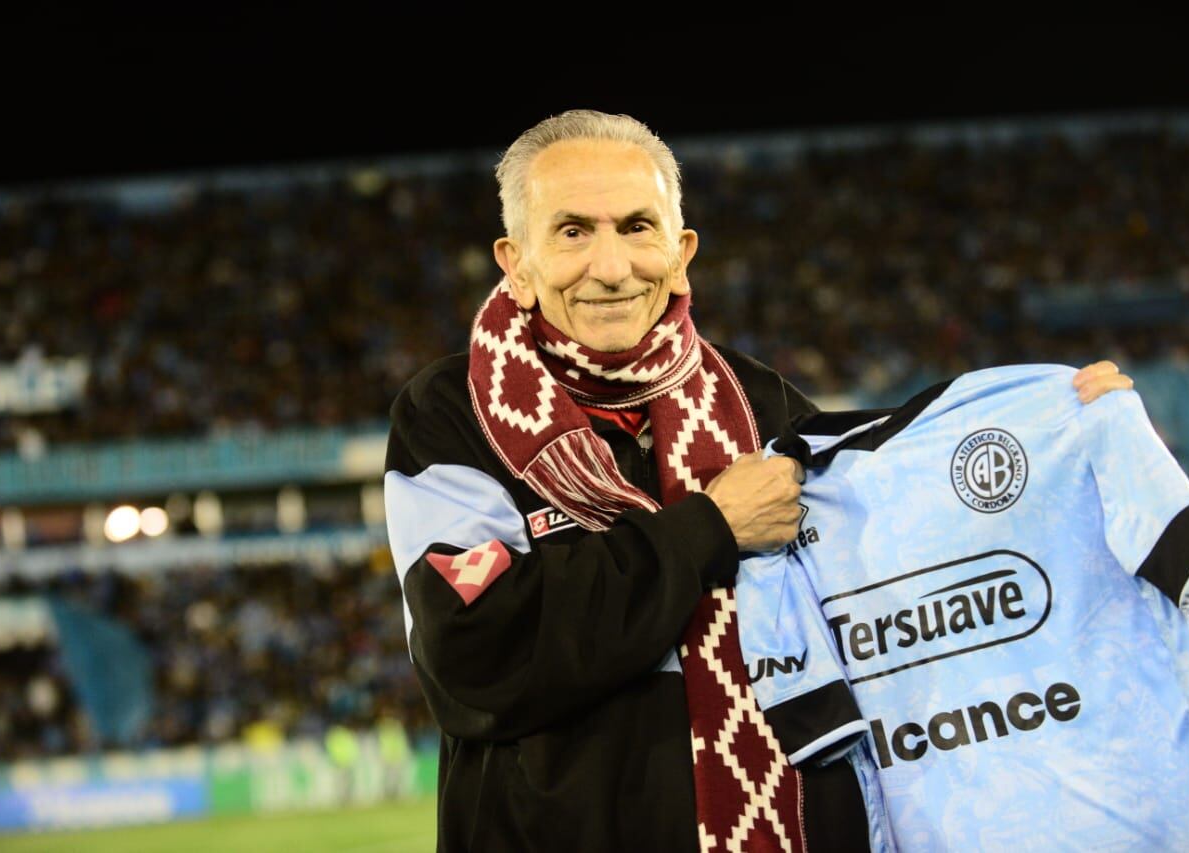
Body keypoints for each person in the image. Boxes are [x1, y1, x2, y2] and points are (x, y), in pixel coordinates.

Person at [383, 110, 1133, 852]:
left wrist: (1057, 438)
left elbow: (914, 552)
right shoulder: (452, 415)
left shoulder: (761, 405)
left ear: (681, 254)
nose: (611, 267)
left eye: (637, 228)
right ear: (517, 263)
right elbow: (475, 660)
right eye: (573, 231)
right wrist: (707, 529)